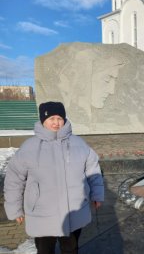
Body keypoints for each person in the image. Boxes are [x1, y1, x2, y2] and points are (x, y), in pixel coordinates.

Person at [4, 101, 104, 254]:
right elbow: (14, 179)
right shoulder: (29, 147)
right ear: (43, 120)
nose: (56, 123)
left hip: (73, 212)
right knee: (45, 250)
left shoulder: (79, 144)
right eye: (51, 118)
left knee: (71, 249)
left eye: (59, 118)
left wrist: (97, 194)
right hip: (42, 213)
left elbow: (93, 170)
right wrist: (14, 209)